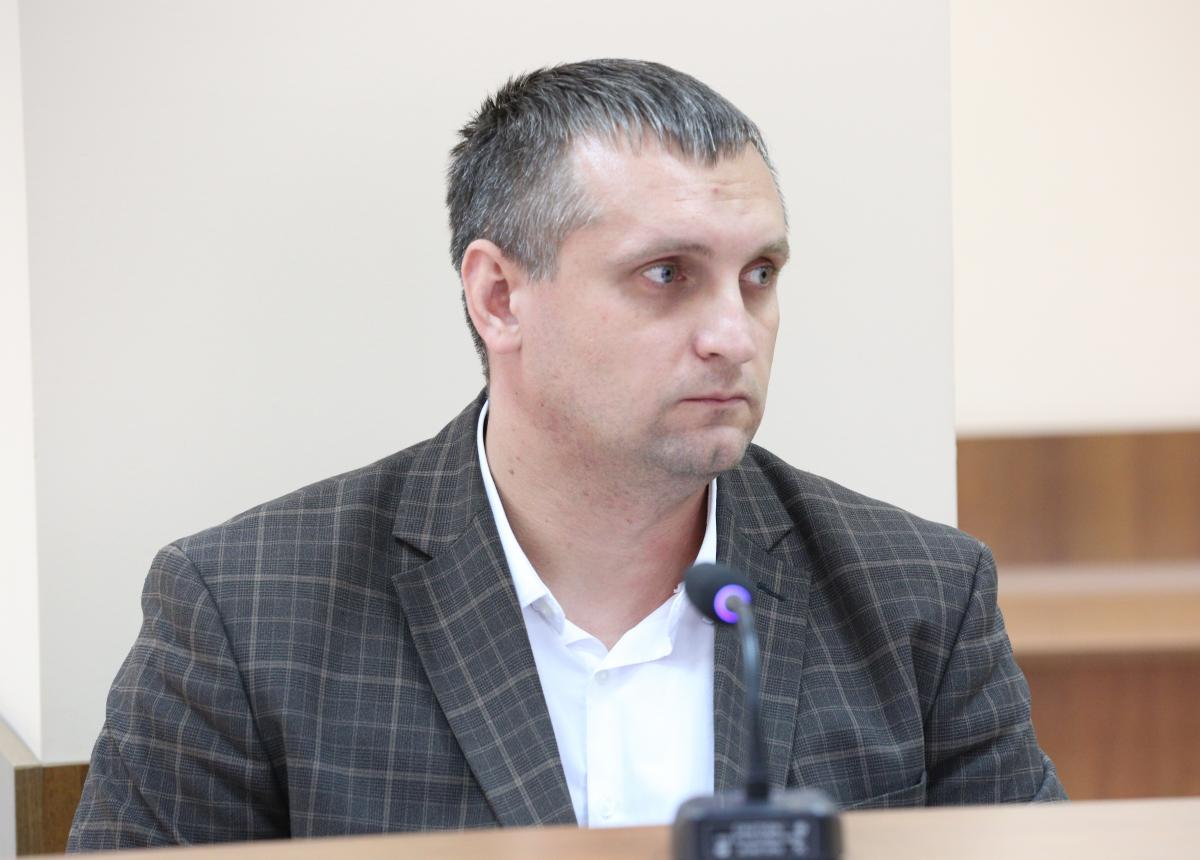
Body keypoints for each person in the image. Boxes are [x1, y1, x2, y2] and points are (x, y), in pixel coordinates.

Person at [68, 58, 1065, 851]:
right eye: (667, 274)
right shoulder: (246, 613)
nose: (735, 333)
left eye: (759, 275)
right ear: (499, 297)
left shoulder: (918, 596)